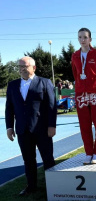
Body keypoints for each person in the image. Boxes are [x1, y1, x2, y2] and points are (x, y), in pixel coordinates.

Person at [5, 56, 57, 196]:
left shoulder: (45, 82)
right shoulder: (12, 85)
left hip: (42, 129)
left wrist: (52, 125)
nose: (22, 69)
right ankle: (31, 186)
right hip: (23, 130)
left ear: (33, 68)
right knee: (28, 160)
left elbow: (52, 106)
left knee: (48, 159)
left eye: (25, 66)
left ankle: (53, 187)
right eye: (20, 67)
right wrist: (9, 127)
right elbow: (9, 108)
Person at [71, 28, 96, 165]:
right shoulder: (74, 55)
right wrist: (79, 86)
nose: (82, 40)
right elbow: (75, 73)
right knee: (84, 125)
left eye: (85, 37)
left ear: (90, 39)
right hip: (81, 93)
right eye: (80, 37)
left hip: (95, 91)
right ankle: (88, 153)